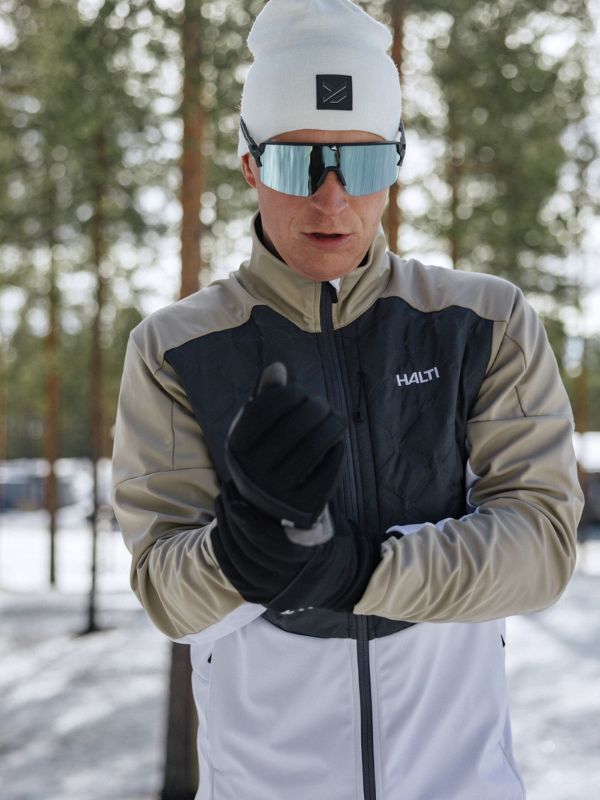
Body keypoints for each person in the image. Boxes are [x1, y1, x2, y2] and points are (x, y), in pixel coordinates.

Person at [111, 1, 583, 798]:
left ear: (397, 162)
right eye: (300, 165)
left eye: (362, 166)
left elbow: (540, 549)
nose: (332, 203)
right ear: (251, 164)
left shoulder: (483, 322)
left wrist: (355, 568)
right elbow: (167, 590)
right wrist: (242, 549)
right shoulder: (174, 348)